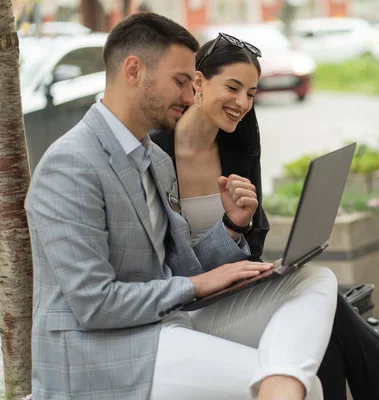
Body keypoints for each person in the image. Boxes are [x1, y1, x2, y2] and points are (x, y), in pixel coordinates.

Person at [25, 13, 338, 400]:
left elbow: (176, 266)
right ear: (134, 70)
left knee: (314, 280)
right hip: (101, 354)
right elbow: (94, 304)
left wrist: (230, 228)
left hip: (164, 324)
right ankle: (281, 383)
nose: (190, 97)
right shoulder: (69, 164)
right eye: (180, 82)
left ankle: (278, 379)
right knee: (310, 387)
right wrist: (195, 285)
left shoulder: (154, 159)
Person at [150, 32, 379, 400]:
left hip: (234, 294)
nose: (242, 102)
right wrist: (230, 227)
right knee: (326, 302)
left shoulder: (238, 150)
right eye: (233, 87)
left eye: (251, 93)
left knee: (320, 301)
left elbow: (255, 243)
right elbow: (173, 268)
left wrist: (241, 226)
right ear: (198, 81)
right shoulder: (154, 156)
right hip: (188, 308)